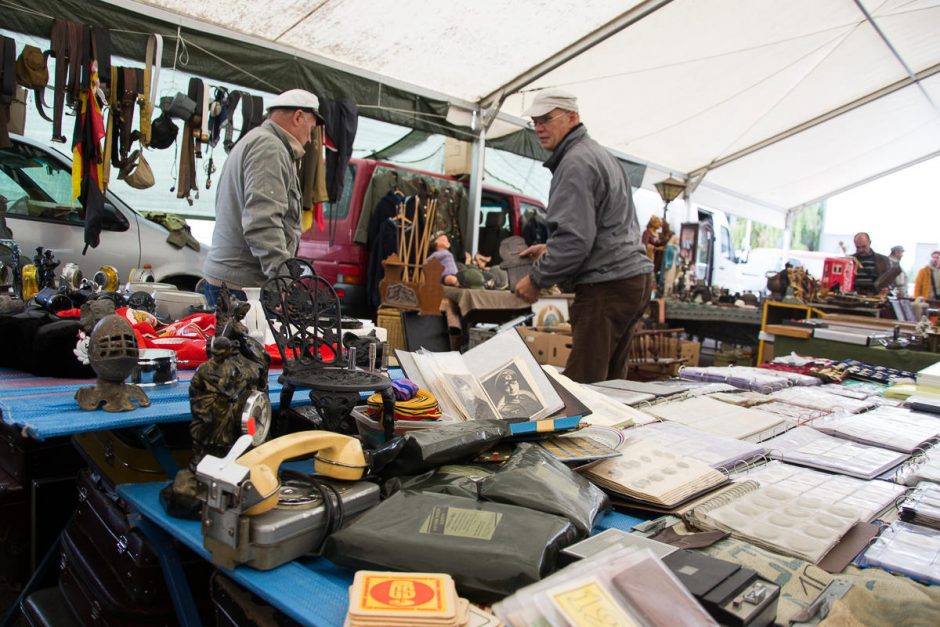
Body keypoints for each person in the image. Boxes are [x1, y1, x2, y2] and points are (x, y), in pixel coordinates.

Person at [513, 88, 653, 383]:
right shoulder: (599, 155)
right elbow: (605, 227)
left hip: (607, 284)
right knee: (612, 382)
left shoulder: (575, 163)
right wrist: (550, 249)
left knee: (585, 387)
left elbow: (577, 241)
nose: (539, 127)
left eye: (546, 119)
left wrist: (537, 279)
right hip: (630, 279)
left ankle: (592, 431)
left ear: (571, 117)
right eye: (535, 121)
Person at [202, 89, 322, 305]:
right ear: (298, 117)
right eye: (311, 129)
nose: (309, 138)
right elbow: (262, 221)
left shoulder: (257, 140)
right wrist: (283, 278)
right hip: (241, 287)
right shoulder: (270, 148)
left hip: (233, 282)